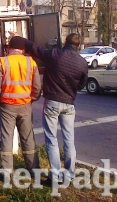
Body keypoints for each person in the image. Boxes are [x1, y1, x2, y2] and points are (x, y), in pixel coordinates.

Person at [13, 33, 88, 186]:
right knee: (69, 140)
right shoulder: (82, 63)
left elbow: (36, 49)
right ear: (78, 45)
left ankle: (55, 176)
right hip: (69, 104)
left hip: (52, 102)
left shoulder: (55, 55)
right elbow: (81, 85)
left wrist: (19, 39)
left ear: (65, 42)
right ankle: (69, 175)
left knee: (51, 139)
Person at [0, 36, 42, 180]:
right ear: (23, 49)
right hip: (25, 105)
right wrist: (32, 98)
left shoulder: (3, 61)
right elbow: (37, 86)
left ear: (9, 48)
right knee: (28, 138)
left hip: (7, 106)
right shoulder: (30, 62)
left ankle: (7, 173)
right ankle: (34, 171)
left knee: (7, 137)